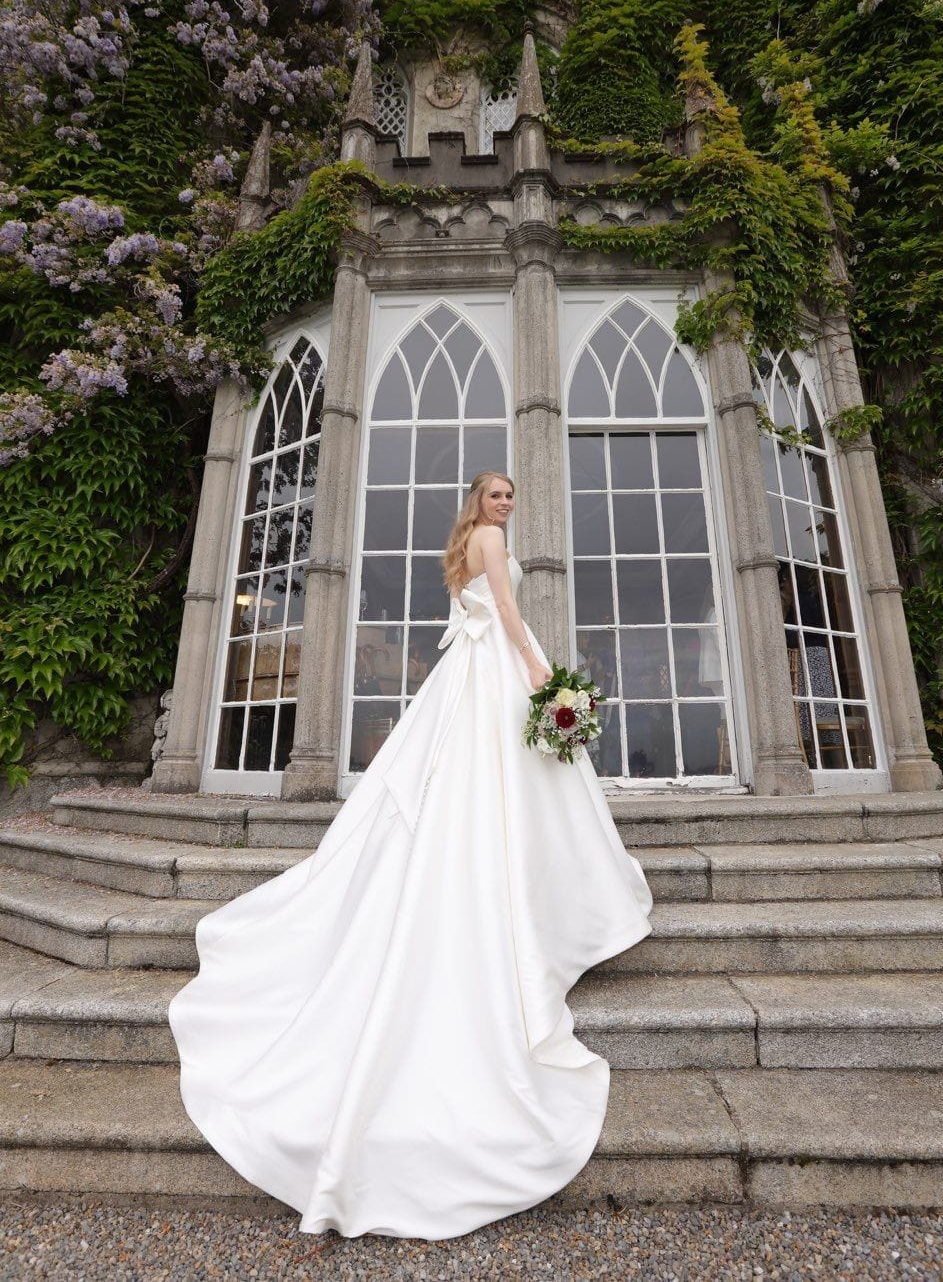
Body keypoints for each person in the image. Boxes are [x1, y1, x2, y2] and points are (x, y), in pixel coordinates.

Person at [168, 470, 654, 1240]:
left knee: (480, 780)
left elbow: (468, 610)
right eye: (497, 495)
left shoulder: (459, 547)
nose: (506, 506)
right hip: (492, 668)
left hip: (466, 672)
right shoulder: (489, 543)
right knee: (511, 779)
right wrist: (539, 673)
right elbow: (508, 612)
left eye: (512, 497)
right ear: (479, 501)